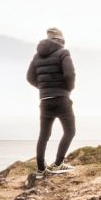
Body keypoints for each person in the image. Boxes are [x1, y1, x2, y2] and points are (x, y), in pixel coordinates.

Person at [26, 27, 76, 177]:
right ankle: (58, 164)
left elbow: (30, 77)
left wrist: (44, 88)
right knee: (70, 131)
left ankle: (41, 169)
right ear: (61, 40)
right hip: (61, 98)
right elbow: (69, 73)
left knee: (44, 134)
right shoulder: (63, 52)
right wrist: (68, 89)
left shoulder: (37, 56)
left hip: (45, 100)